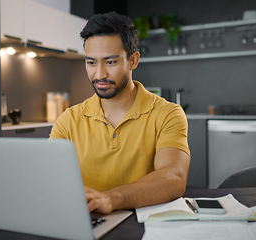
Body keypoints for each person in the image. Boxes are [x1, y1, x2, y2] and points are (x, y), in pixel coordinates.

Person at [50, 12, 190, 214]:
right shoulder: (68, 120)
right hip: (88, 222)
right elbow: (50, 179)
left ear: (133, 61)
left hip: (144, 226)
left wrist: (111, 198)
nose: (99, 75)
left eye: (110, 62)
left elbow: (174, 177)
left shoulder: (168, 114)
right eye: (91, 62)